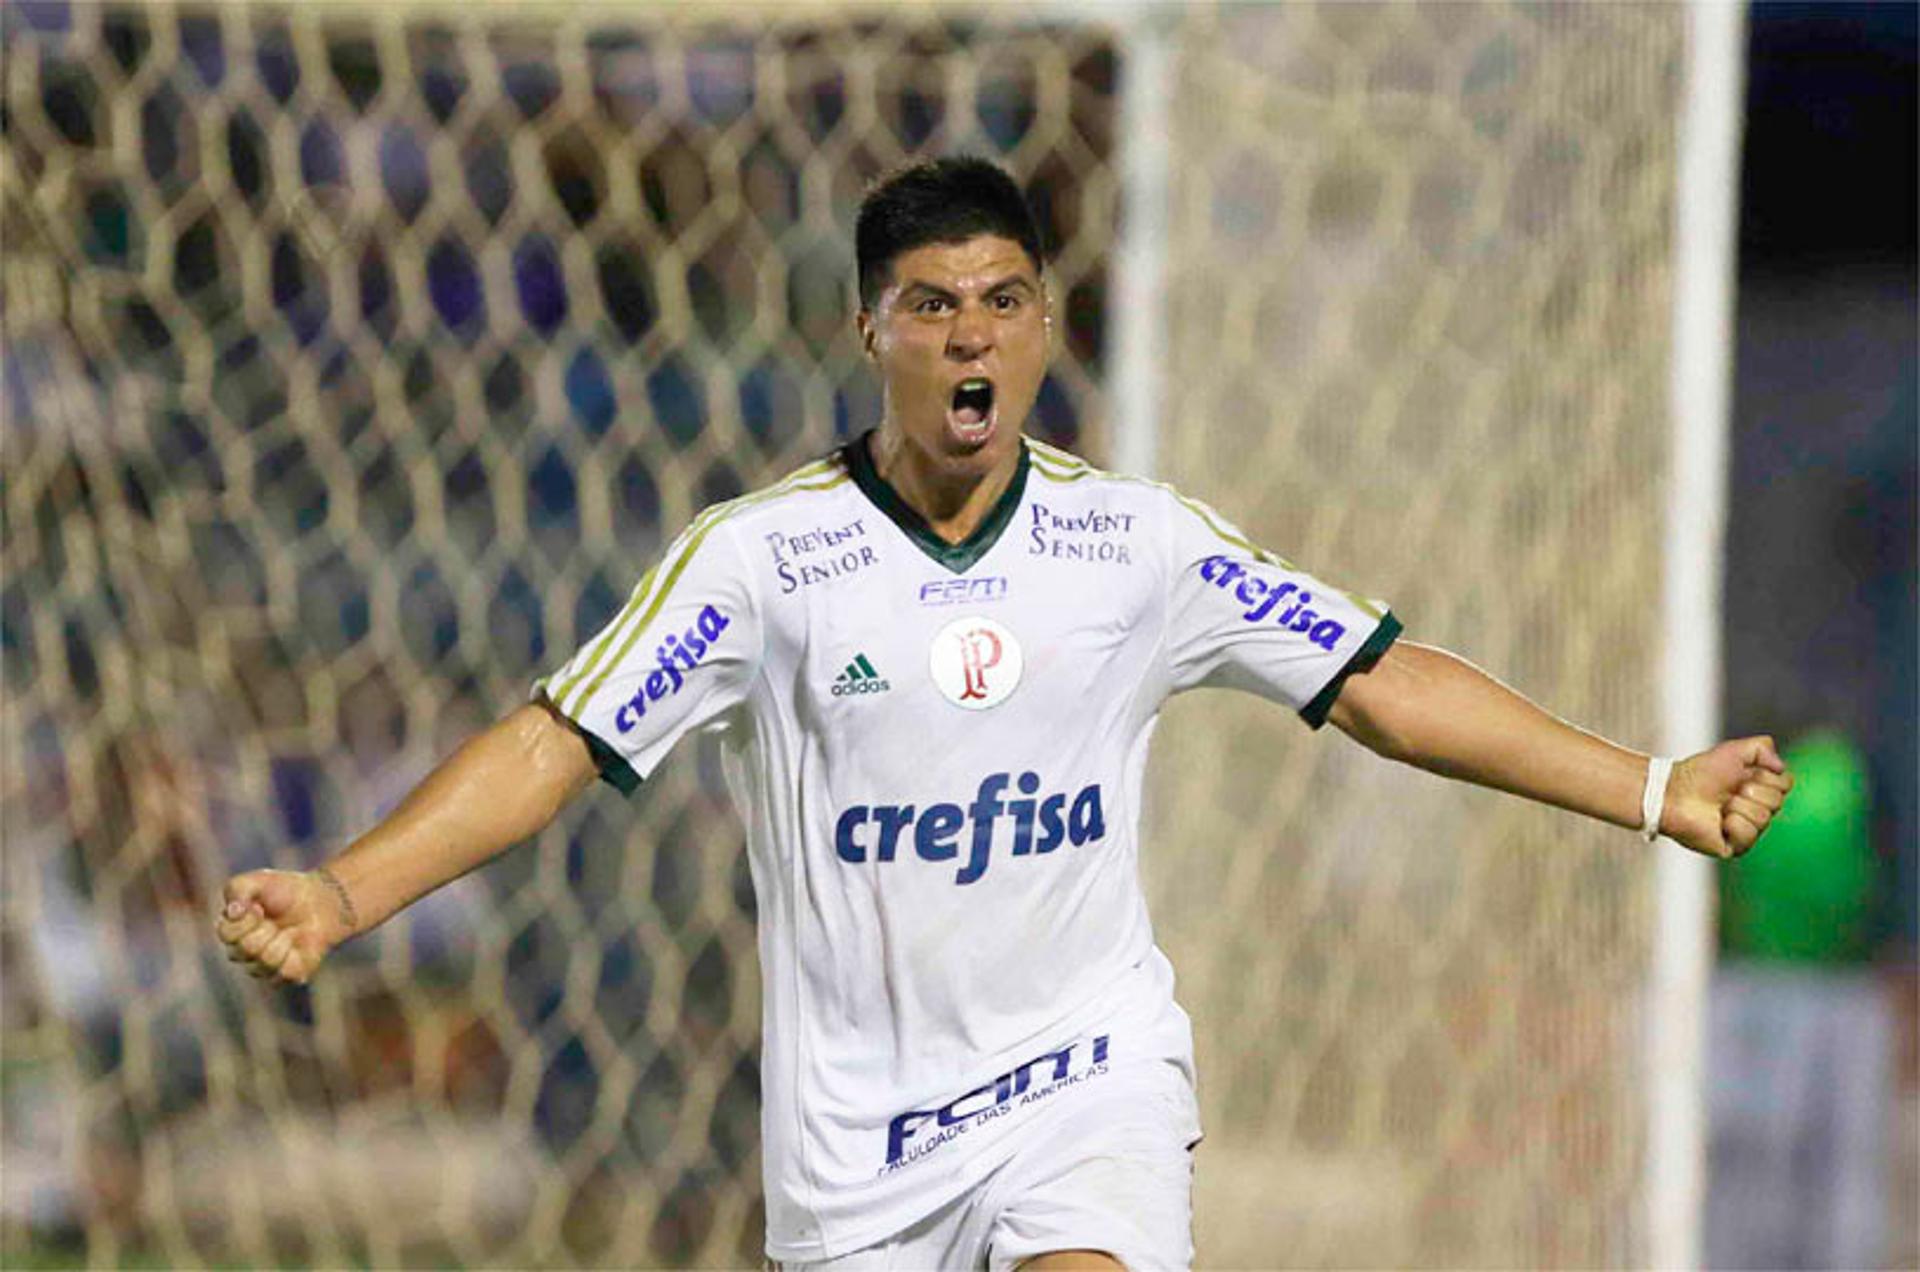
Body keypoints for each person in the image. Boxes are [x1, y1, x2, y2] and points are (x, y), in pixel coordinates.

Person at [217, 156, 1793, 1271]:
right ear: (872, 336)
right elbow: (558, 741)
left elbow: (1381, 682)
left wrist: (1653, 786)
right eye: (930, 305)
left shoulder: (1139, 545)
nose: (971, 334)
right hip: (856, 1154)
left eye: (1003, 299)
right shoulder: (764, 560)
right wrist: (347, 892)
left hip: (1081, 1081)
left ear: (1043, 327)